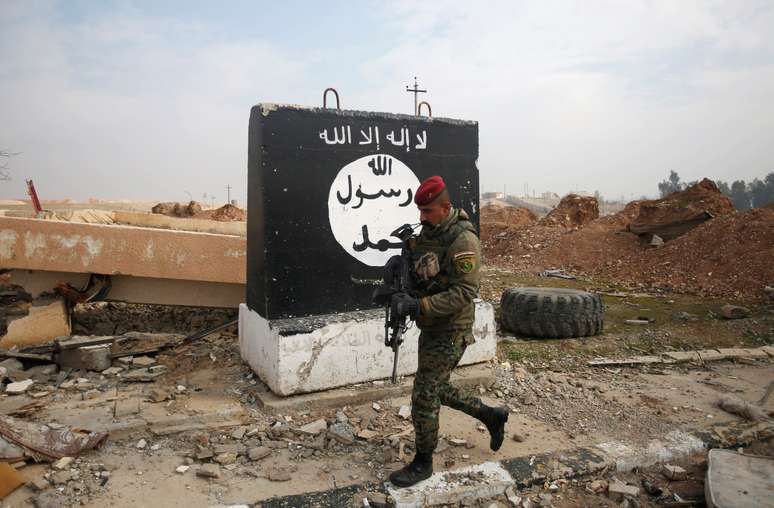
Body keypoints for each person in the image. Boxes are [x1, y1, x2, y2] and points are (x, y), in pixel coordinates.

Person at [387, 175, 508, 488]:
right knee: (436, 387)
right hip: (432, 325)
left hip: (451, 328)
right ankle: (491, 416)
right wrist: (399, 271)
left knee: (424, 394)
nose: (421, 217)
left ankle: (423, 463)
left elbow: (464, 292)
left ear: (445, 207)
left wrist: (418, 306)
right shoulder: (429, 232)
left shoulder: (462, 240)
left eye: (427, 211)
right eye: (420, 211)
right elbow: (422, 270)